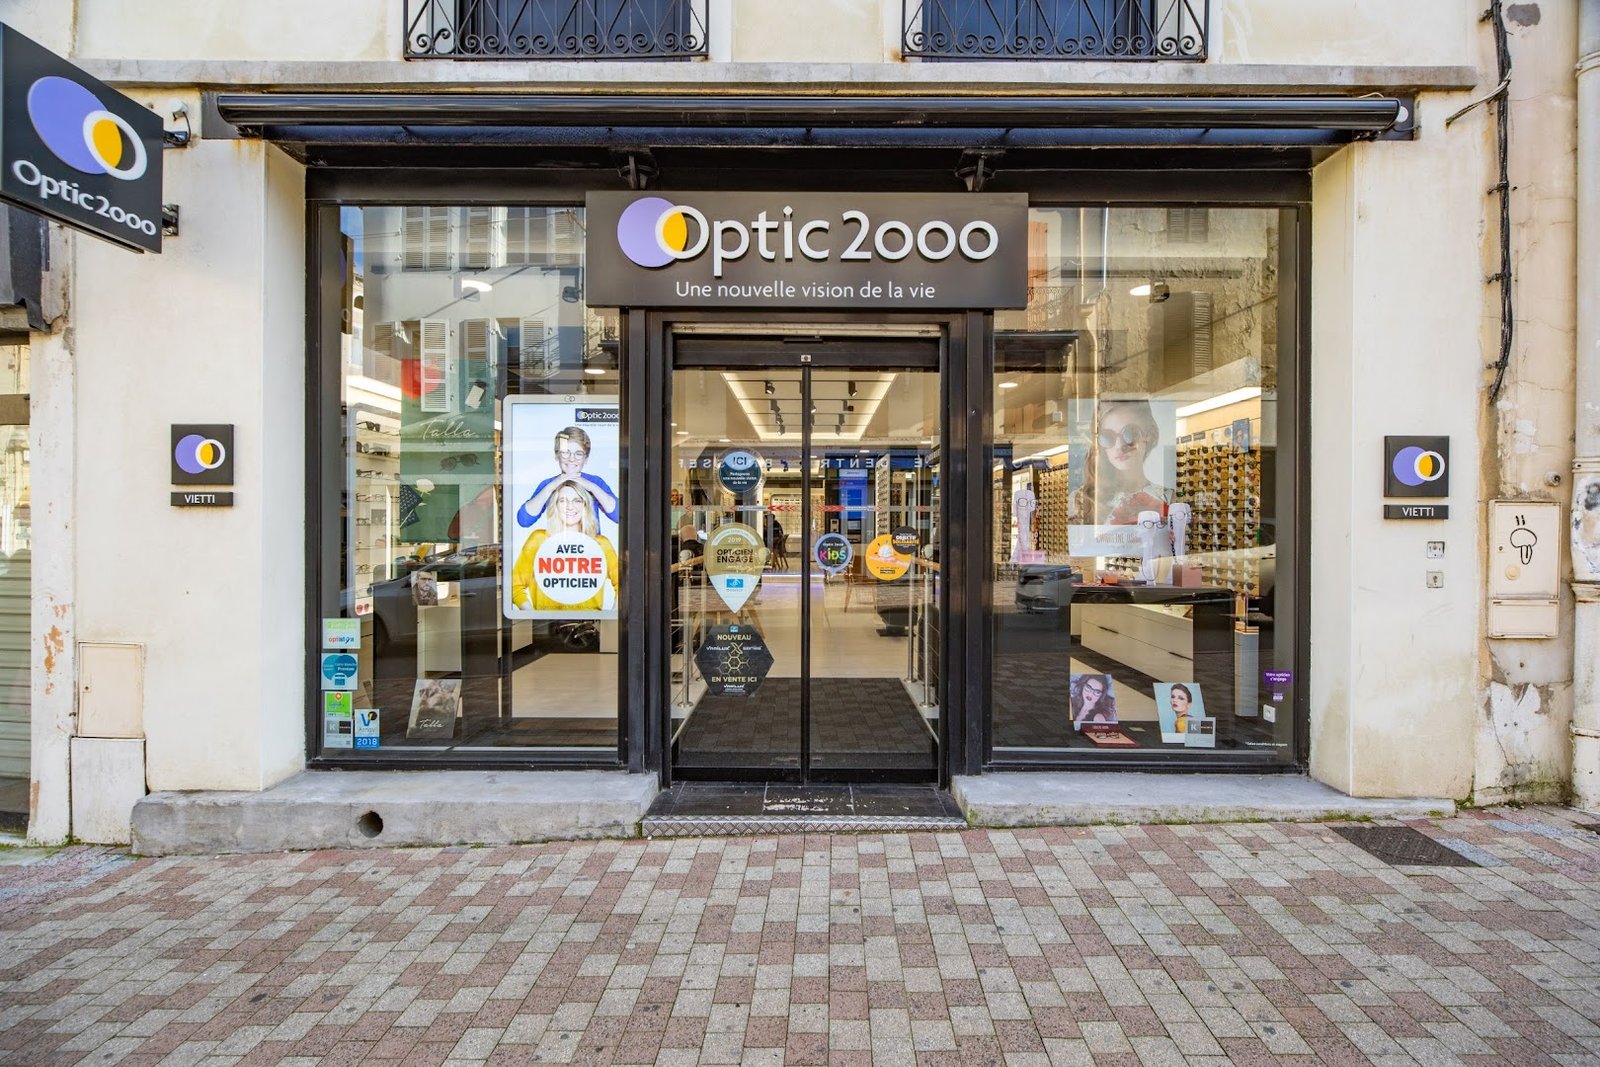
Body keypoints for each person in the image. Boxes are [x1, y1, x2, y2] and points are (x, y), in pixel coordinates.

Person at [510, 482, 619, 612]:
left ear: (586, 506)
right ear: (555, 506)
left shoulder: (601, 544)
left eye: (577, 500)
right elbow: (514, 586)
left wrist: (612, 615)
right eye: (563, 501)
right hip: (547, 623)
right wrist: (534, 615)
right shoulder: (538, 539)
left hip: (590, 622)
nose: (570, 506)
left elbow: (624, 584)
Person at [1074, 400, 1169, 526]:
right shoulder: (1085, 499)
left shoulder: (1167, 497)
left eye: (1130, 434)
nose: (1119, 446)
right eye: (1107, 437)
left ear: (1148, 434)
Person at [516, 426, 618, 529]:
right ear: (557, 455)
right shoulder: (548, 484)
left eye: (578, 454)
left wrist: (592, 487)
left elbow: (618, 516)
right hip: (557, 539)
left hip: (589, 539)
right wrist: (552, 486)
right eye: (565, 453)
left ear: (586, 459)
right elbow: (524, 520)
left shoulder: (595, 482)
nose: (572, 459)